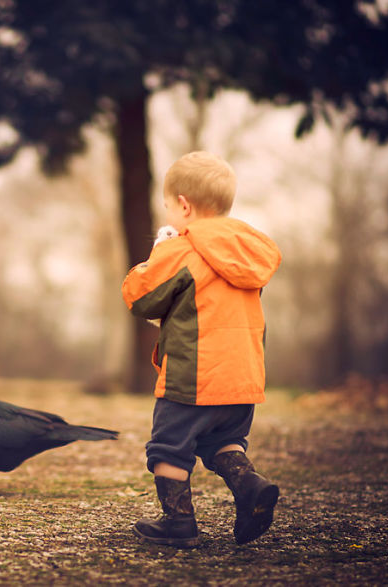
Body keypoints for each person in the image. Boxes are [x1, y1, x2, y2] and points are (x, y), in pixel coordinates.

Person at [121, 151, 282, 548]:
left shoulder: (183, 251)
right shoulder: (245, 251)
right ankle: (249, 486)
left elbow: (141, 298)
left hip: (195, 377)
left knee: (168, 448)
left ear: (184, 205)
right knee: (222, 441)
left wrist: (160, 252)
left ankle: (178, 523)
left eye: (167, 207)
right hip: (242, 378)